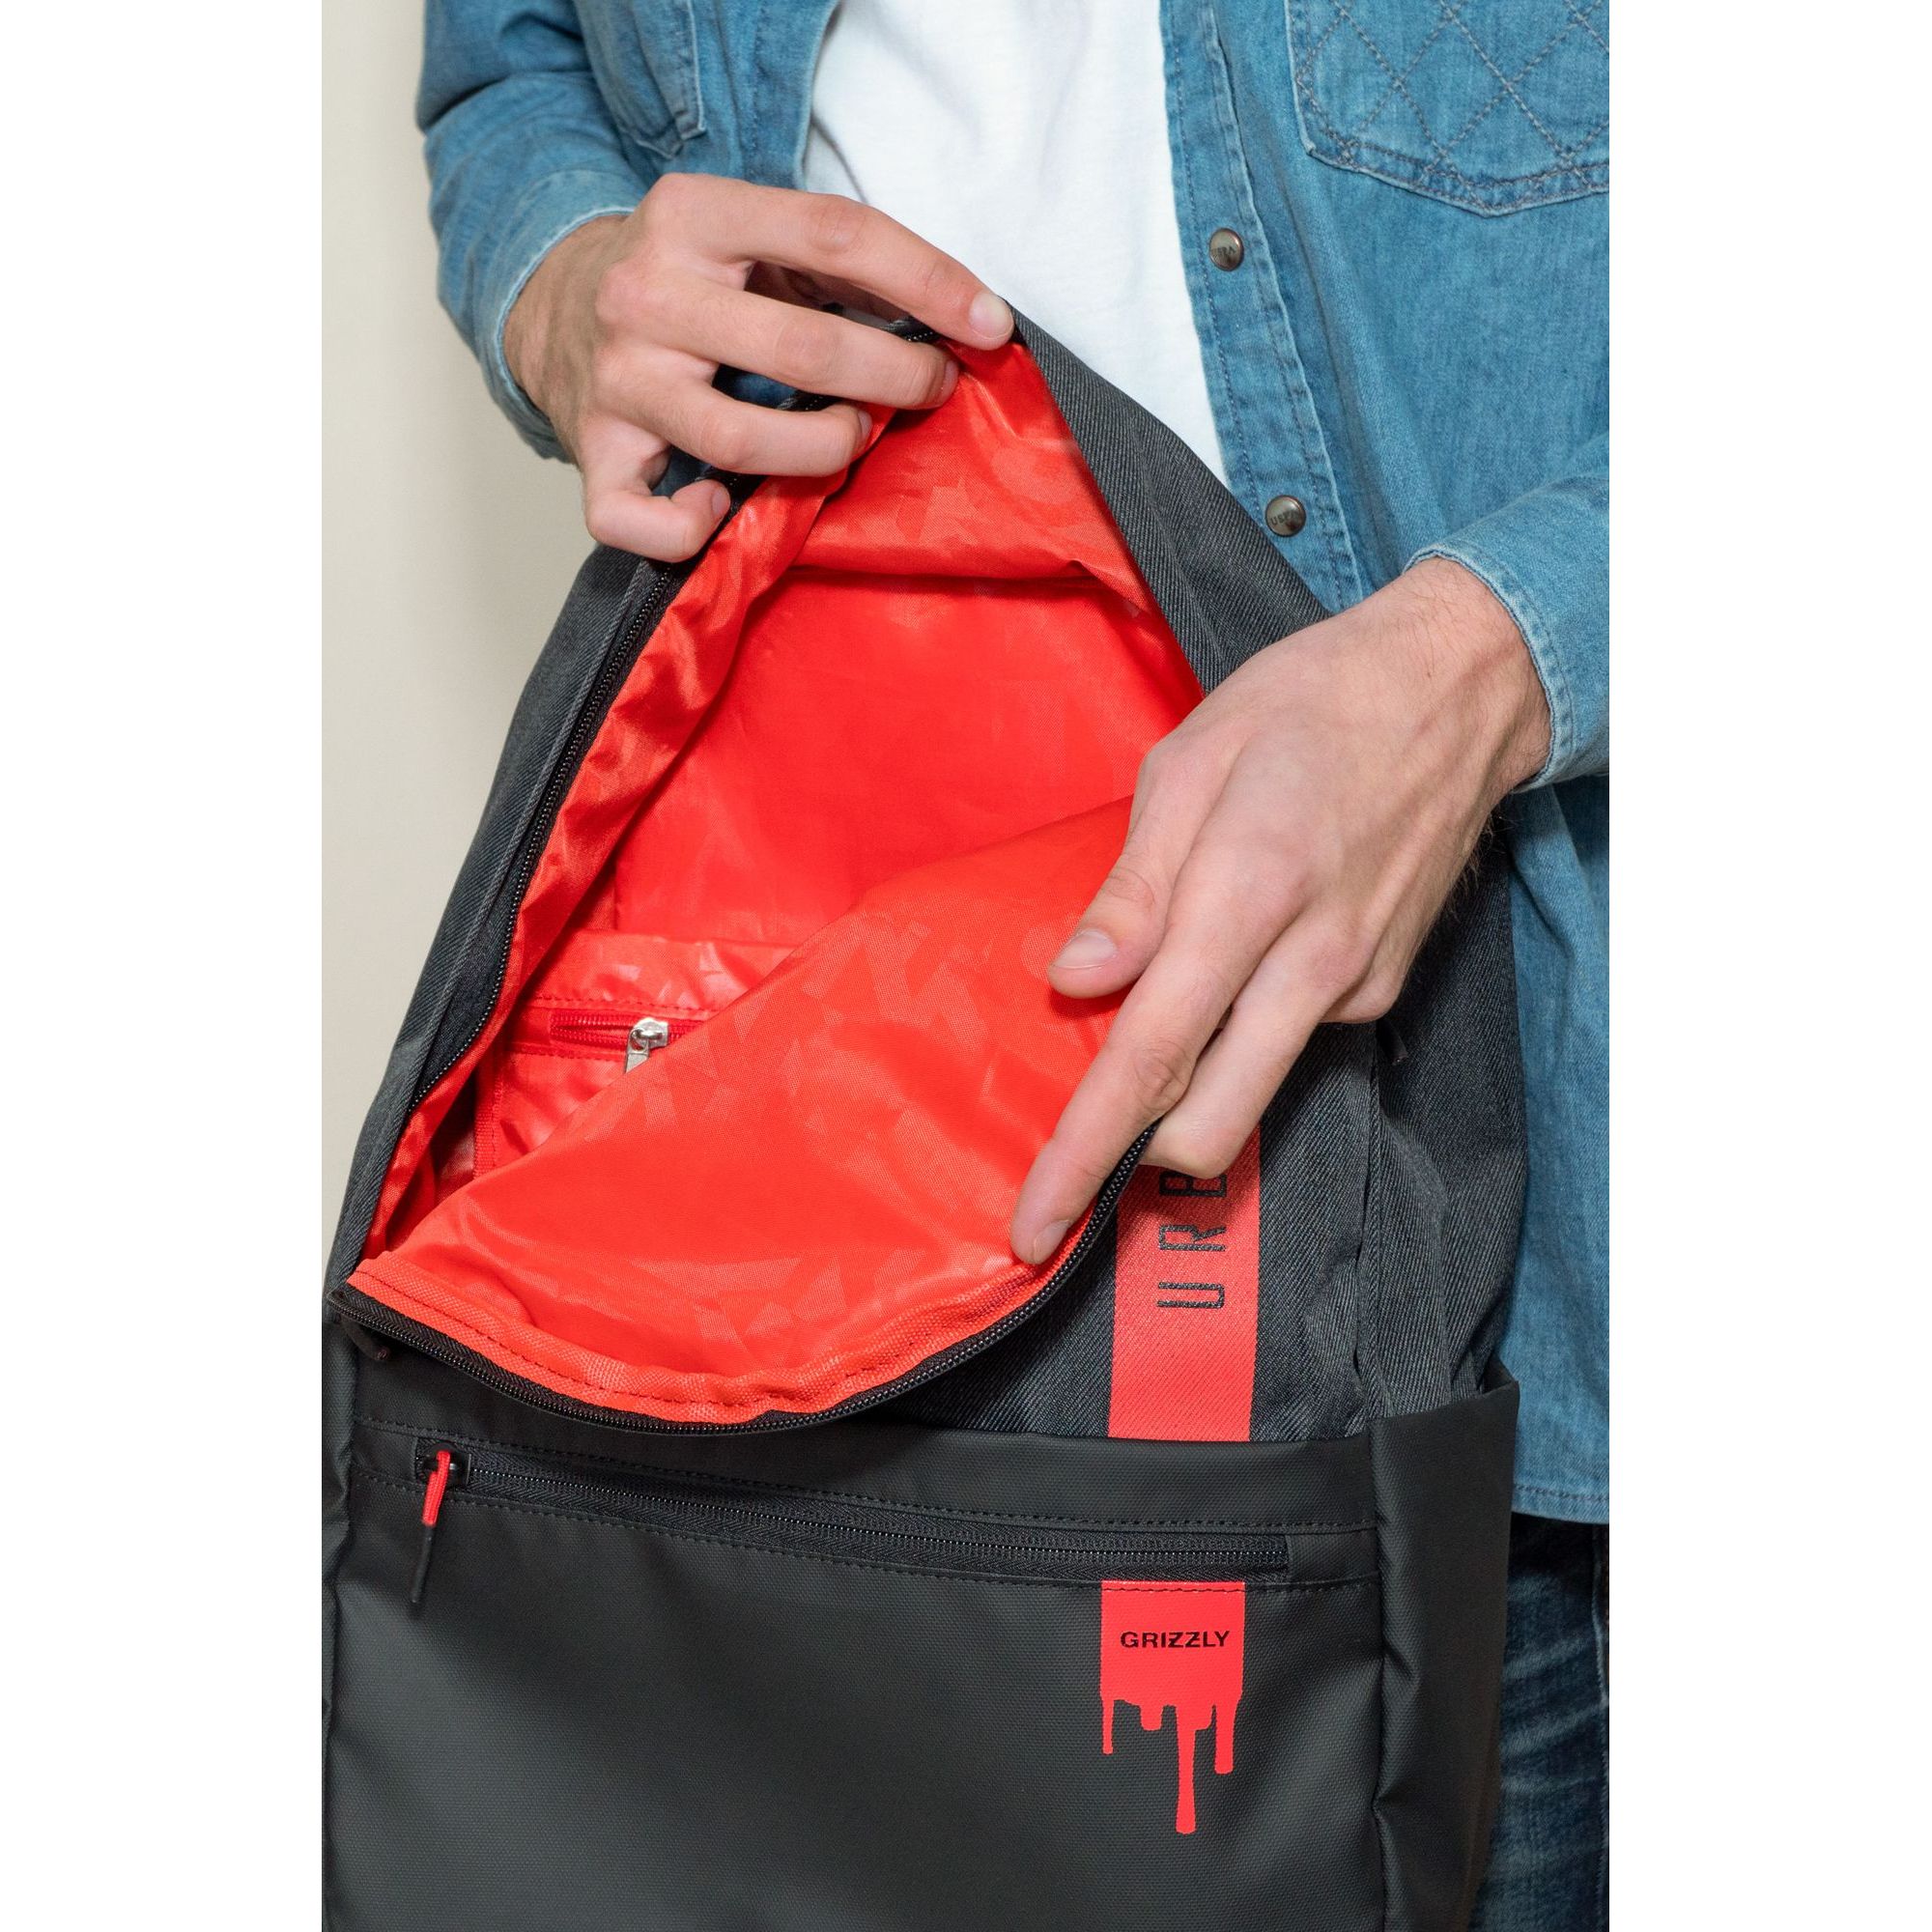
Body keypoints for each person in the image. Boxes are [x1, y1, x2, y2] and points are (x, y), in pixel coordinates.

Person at [419, 3, 1608, 1922]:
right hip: (777, 1073)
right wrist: (562, 280)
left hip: (1554, 1223)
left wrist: (1493, 656)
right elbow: (505, 65)